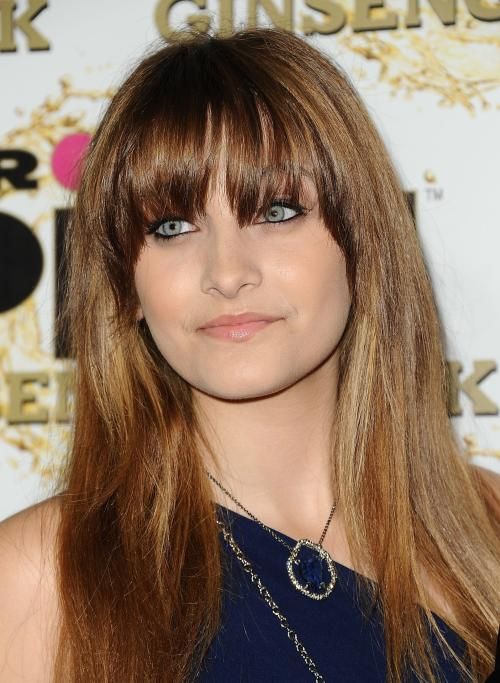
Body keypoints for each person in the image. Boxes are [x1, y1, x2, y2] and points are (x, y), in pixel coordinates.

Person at [0, 26, 499, 683]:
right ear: (126, 282)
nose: (227, 272)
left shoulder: (488, 527)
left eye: (276, 211)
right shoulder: (38, 579)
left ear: (362, 243)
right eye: (172, 226)